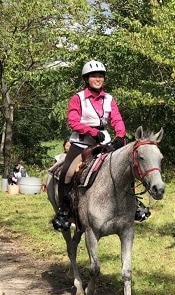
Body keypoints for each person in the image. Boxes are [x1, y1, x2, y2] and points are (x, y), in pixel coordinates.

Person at [54, 60, 126, 228]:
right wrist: (93, 132)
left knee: (125, 165)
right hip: (81, 142)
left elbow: (117, 118)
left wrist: (121, 135)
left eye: (101, 76)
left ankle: (134, 205)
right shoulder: (78, 98)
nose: (98, 79)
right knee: (67, 172)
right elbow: (73, 122)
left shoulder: (109, 99)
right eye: (94, 76)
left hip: (104, 141)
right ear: (86, 79)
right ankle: (64, 210)